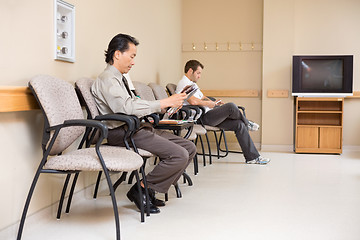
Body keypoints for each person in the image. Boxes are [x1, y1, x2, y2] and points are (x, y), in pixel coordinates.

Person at [91, 33, 197, 214]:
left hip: (136, 128)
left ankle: (147, 189)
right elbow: (125, 107)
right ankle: (140, 188)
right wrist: (163, 102)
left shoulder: (121, 79)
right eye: (132, 56)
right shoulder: (107, 78)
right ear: (117, 54)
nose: (133, 62)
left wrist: (163, 108)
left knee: (189, 148)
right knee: (179, 155)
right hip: (121, 132)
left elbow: (134, 104)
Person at [176, 59, 270, 165]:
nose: (199, 76)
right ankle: (247, 123)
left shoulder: (192, 84)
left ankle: (252, 157)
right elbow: (192, 101)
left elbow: (202, 97)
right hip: (201, 118)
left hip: (209, 113)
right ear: (190, 71)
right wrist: (209, 104)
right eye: (198, 73)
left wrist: (214, 102)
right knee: (231, 106)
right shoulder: (183, 83)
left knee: (239, 124)